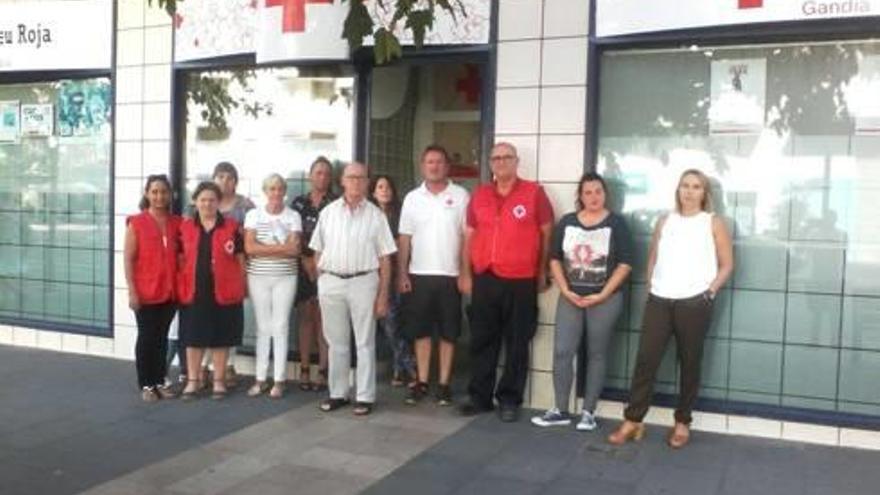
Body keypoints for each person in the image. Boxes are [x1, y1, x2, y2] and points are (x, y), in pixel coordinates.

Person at [608, 169, 733, 448]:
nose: (689, 191)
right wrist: (652, 285)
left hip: (694, 302)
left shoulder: (713, 222)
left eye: (696, 187)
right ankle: (633, 420)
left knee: (689, 363)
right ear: (678, 190)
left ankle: (682, 423)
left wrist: (709, 292)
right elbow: (653, 256)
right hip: (660, 300)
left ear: (705, 193)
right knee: (646, 361)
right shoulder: (665, 220)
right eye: (685, 186)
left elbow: (727, 264)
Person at [459, 142, 554, 422]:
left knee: (517, 342)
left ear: (517, 162)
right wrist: (465, 273)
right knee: (482, 340)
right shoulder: (479, 195)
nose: (501, 162)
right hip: (485, 278)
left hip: (521, 280)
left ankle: (509, 399)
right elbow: (469, 237)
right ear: (490, 164)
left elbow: (547, 233)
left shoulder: (534, 193)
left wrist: (542, 270)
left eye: (506, 157)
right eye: (496, 158)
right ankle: (480, 397)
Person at [531, 172, 633, 431]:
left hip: (605, 299)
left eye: (598, 191)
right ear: (580, 196)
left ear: (605, 193)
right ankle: (560, 409)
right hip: (571, 297)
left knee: (596, 354)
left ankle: (589, 412)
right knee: (562, 352)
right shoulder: (567, 222)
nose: (593, 197)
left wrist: (603, 293)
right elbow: (554, 258)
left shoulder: (616, 224)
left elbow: (625, 264)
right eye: (587, 192)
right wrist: (565, 290)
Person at [310, 162, 397, 416]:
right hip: (332, 283)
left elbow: (385, 260)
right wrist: (322, 281)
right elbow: (317, 250)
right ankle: (338, 393)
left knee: (364, 342)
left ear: (367, 182)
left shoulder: (376, 216)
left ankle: (365, 396)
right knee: (336, 342)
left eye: (361, 178)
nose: (356, 182)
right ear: (343, 181)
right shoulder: (328, 213)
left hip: (364, 282)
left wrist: (382, 295)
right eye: (352, 177)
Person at [397, 145, 469, 406]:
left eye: (439, 161)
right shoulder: (412, 198)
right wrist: (402, 273)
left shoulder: (461, 196)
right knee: (421, 332)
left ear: (447, 166)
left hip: (450, 275)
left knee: (449, 332)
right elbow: (404, 238)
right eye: (429, 162)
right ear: (422, 166)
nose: (434, 166)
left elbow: (466, 238)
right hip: (419, 275)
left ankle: (445, 384)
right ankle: (422, 381)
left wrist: (465, 272)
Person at [177, 181, 247, 400]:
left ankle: (218, 381)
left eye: (212, 200)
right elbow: (179, 259)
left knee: (221, 336)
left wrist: (242, 285)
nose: (207, 204)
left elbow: (241, 259)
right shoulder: (185, 227)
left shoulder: (232, 227)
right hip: (193, 291)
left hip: (224, 291)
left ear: (219, 203)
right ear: (195, 202)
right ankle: (193, 381)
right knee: (193, 337)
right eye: (203, 200)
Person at [124, 174, 181, 402]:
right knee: (147, 337)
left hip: (170, 292)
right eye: (154, 192)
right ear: (147, 194)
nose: (159, 196)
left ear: (170, 195)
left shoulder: (178, 223)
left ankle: (159, 380)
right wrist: (132, 291)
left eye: (163, 192)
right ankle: (146, 384)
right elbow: (128, 259)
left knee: (161, 338)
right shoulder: (136, 223)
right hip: (145, 292)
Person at [244, 174, 302, 399]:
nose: (276, 193)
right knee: (263, 327)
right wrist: (281, 249)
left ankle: (279, 379)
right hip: (258, 277)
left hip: (285, 277)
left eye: (279, 188)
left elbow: (295, 250)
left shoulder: (293, 216)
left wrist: (262, 248)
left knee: (280, 326)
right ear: (265, 191)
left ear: (284, 191)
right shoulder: (253, 215)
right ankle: (260, 378)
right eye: (271, 188)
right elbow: (249, 248)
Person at [206, 162, 254, 388]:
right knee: (208, 317)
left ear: (236, 181)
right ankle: (206, 366)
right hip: (206, 272)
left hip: (235, 270)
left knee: (230, 319)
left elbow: (253, 238)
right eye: (220, 176)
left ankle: (229, 364)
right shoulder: (204, 202)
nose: (225, 181)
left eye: (230, 177)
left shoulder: (245, 206)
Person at [290, 157, 336, 391]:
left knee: (324, 321)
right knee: (305, 318)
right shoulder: (298, 203)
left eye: (327, 174)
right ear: (310, 176)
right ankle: (305, 368)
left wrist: (320, 263)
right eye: (318, 173)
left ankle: (324, 371)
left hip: (328, 268)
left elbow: (339, 238)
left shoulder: (336, 202)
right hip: (303, 267)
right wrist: (305, 259)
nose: (322, 178)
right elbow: (292, 235)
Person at [370, 174, 417, 388]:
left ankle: (405, 367)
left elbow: (401, 245)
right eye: (380, 187)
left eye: (388, 187)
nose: (385, 190)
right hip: (372, 277)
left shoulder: (400, 214)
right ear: (373, 192)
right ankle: (404, 366)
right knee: (385, 325)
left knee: (395, 324)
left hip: (397, 274)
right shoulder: (368, 215)